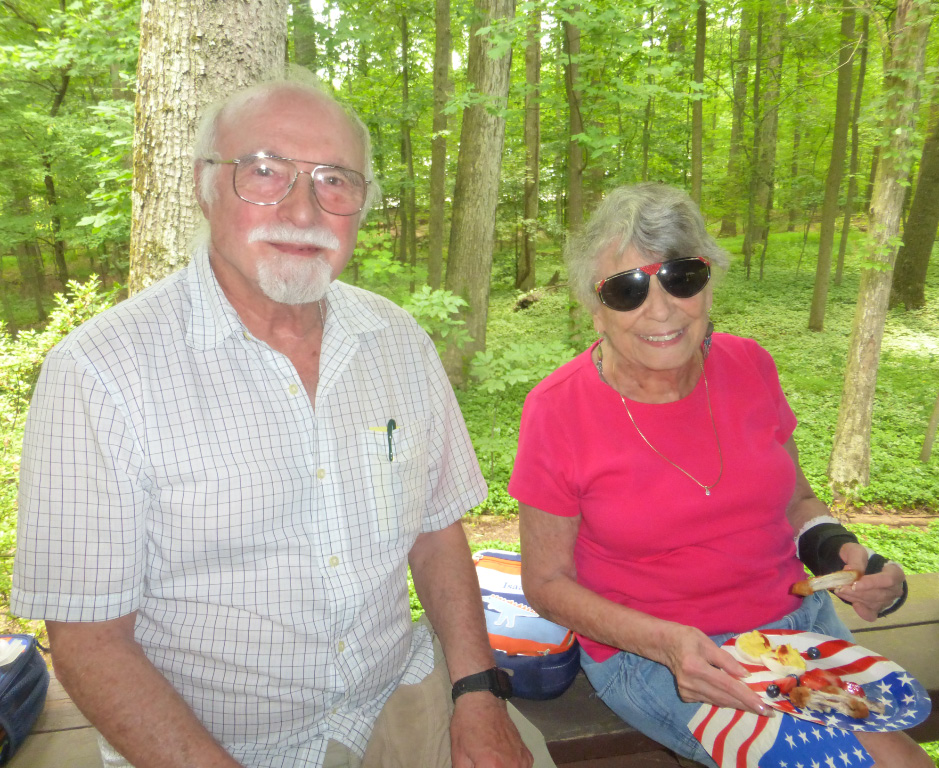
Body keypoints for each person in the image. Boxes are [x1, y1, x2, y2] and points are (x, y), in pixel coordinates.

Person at [12, 76, 555, 768]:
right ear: (204, 186)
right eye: (265, 172)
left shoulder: (397, 341)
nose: (303, 210)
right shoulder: (99, 374)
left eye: (335, 180)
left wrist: (477, 694)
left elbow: (436, 532)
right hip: (215, 742)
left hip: (401, 695)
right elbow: (90, 641)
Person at [507, 183, 931, 767]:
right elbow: (546, 583)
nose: (660, 310)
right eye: (627, 289)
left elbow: (796, 500)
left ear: (708, 283)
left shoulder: (749, 365)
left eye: (682, 277)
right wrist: (664, 641)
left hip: (798, 622)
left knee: (897, 755)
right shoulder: (557, 410)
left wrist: (838, 552)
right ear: (594, 307)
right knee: (847, 759)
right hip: (656, 653)